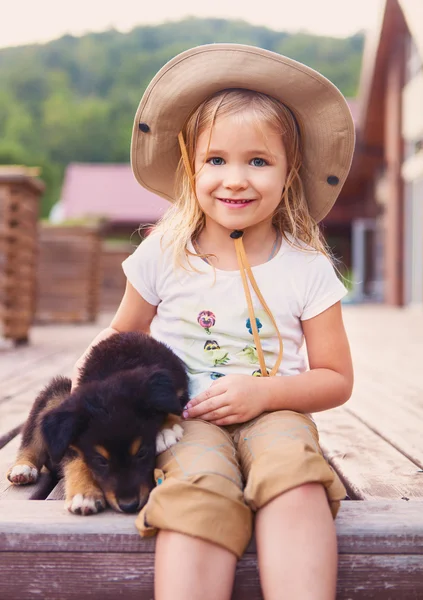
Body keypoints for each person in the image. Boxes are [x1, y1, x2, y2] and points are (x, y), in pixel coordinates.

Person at [72, 44, 354, 600]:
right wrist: (85, 403)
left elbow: (336, 378)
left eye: (258, 160)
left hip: (275, 411)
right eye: (217, 160)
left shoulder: (308, 267)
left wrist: (264, 393)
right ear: (191, 168)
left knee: (295, 480)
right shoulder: (162, 255)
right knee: (197, 487)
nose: (236, 179)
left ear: (288, 170)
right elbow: (118, 338)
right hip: (182, 418)